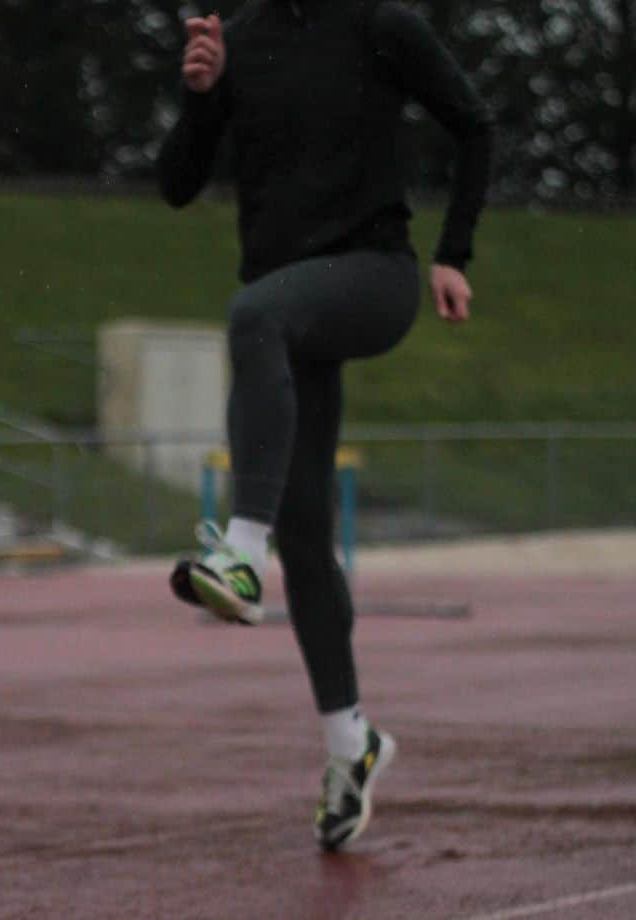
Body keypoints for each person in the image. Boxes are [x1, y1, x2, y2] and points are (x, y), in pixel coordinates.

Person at [158, 0, 492, 851]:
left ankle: (238, 548)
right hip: (289, 304)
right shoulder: (241, 41)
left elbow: (473, 124)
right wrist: (201, 92)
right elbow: (177, 184)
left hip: (374, 278)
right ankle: (353, 745)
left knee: (251, 318)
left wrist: (454, 250)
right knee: (307, 536)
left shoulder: (380, 26)